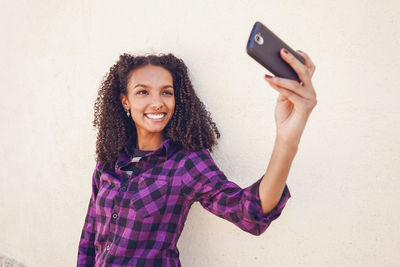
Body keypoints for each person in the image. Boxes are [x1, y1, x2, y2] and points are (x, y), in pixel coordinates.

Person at [77, 49, 317, 266]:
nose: (157, 102)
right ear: (125, 101)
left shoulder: (186, 164)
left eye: (166, 92)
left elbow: (249, 212)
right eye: (143, 92)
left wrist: (287, 140)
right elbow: (89, 239)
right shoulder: (109, 162)